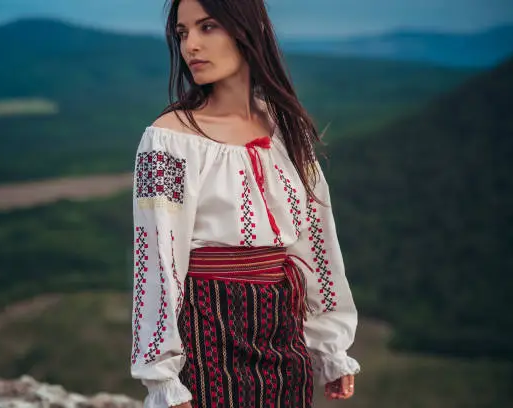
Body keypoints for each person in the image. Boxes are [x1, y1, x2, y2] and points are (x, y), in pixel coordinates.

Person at [130, 0, 360, 407]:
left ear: (248, 30)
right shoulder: (166, 140)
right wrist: (164, 379)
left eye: (208, 27)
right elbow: (157, 263)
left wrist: (330, 348)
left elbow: (315, 241)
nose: (190, 47)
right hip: (207, 327)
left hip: (281, 324)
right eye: (183, 34)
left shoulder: (285, 128)